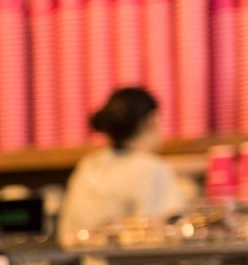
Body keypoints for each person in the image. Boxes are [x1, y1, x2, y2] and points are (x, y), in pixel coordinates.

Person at [58, 87, 193, 246]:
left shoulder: (88, 165)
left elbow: (66, 234)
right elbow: (160, 241)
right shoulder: (151, 168)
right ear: (152, 119)